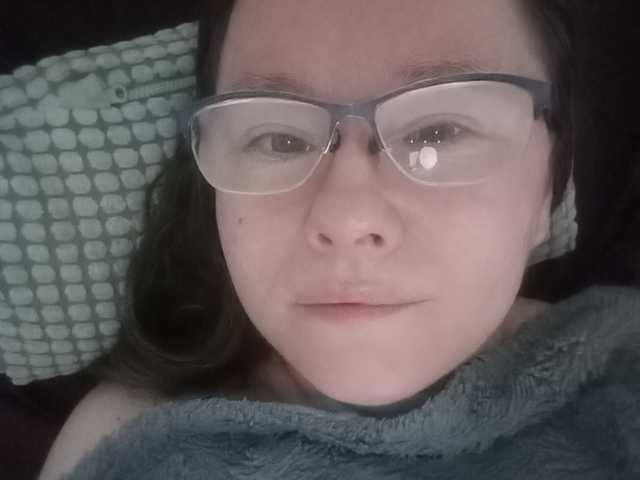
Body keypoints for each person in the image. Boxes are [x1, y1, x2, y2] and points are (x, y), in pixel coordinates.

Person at [39, 0, 640, 479]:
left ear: (547, 191)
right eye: (278, 139)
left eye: (438, 130)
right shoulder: (122, 441)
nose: (348, 218)